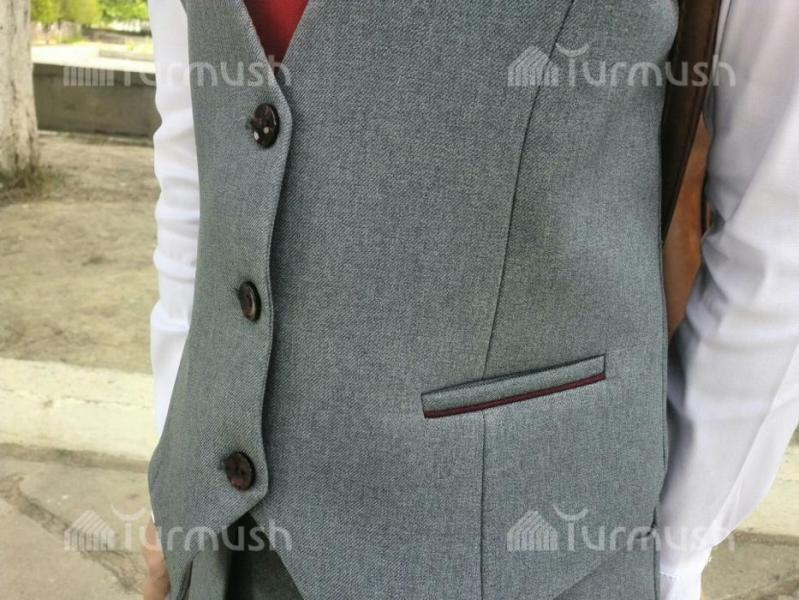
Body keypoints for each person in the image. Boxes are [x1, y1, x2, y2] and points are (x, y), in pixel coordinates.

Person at [141, 1, 799, 599]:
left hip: (534, 560)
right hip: (223, 549)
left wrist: (675, 550)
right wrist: (184, 474)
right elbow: (198, 146)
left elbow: (775, 228)